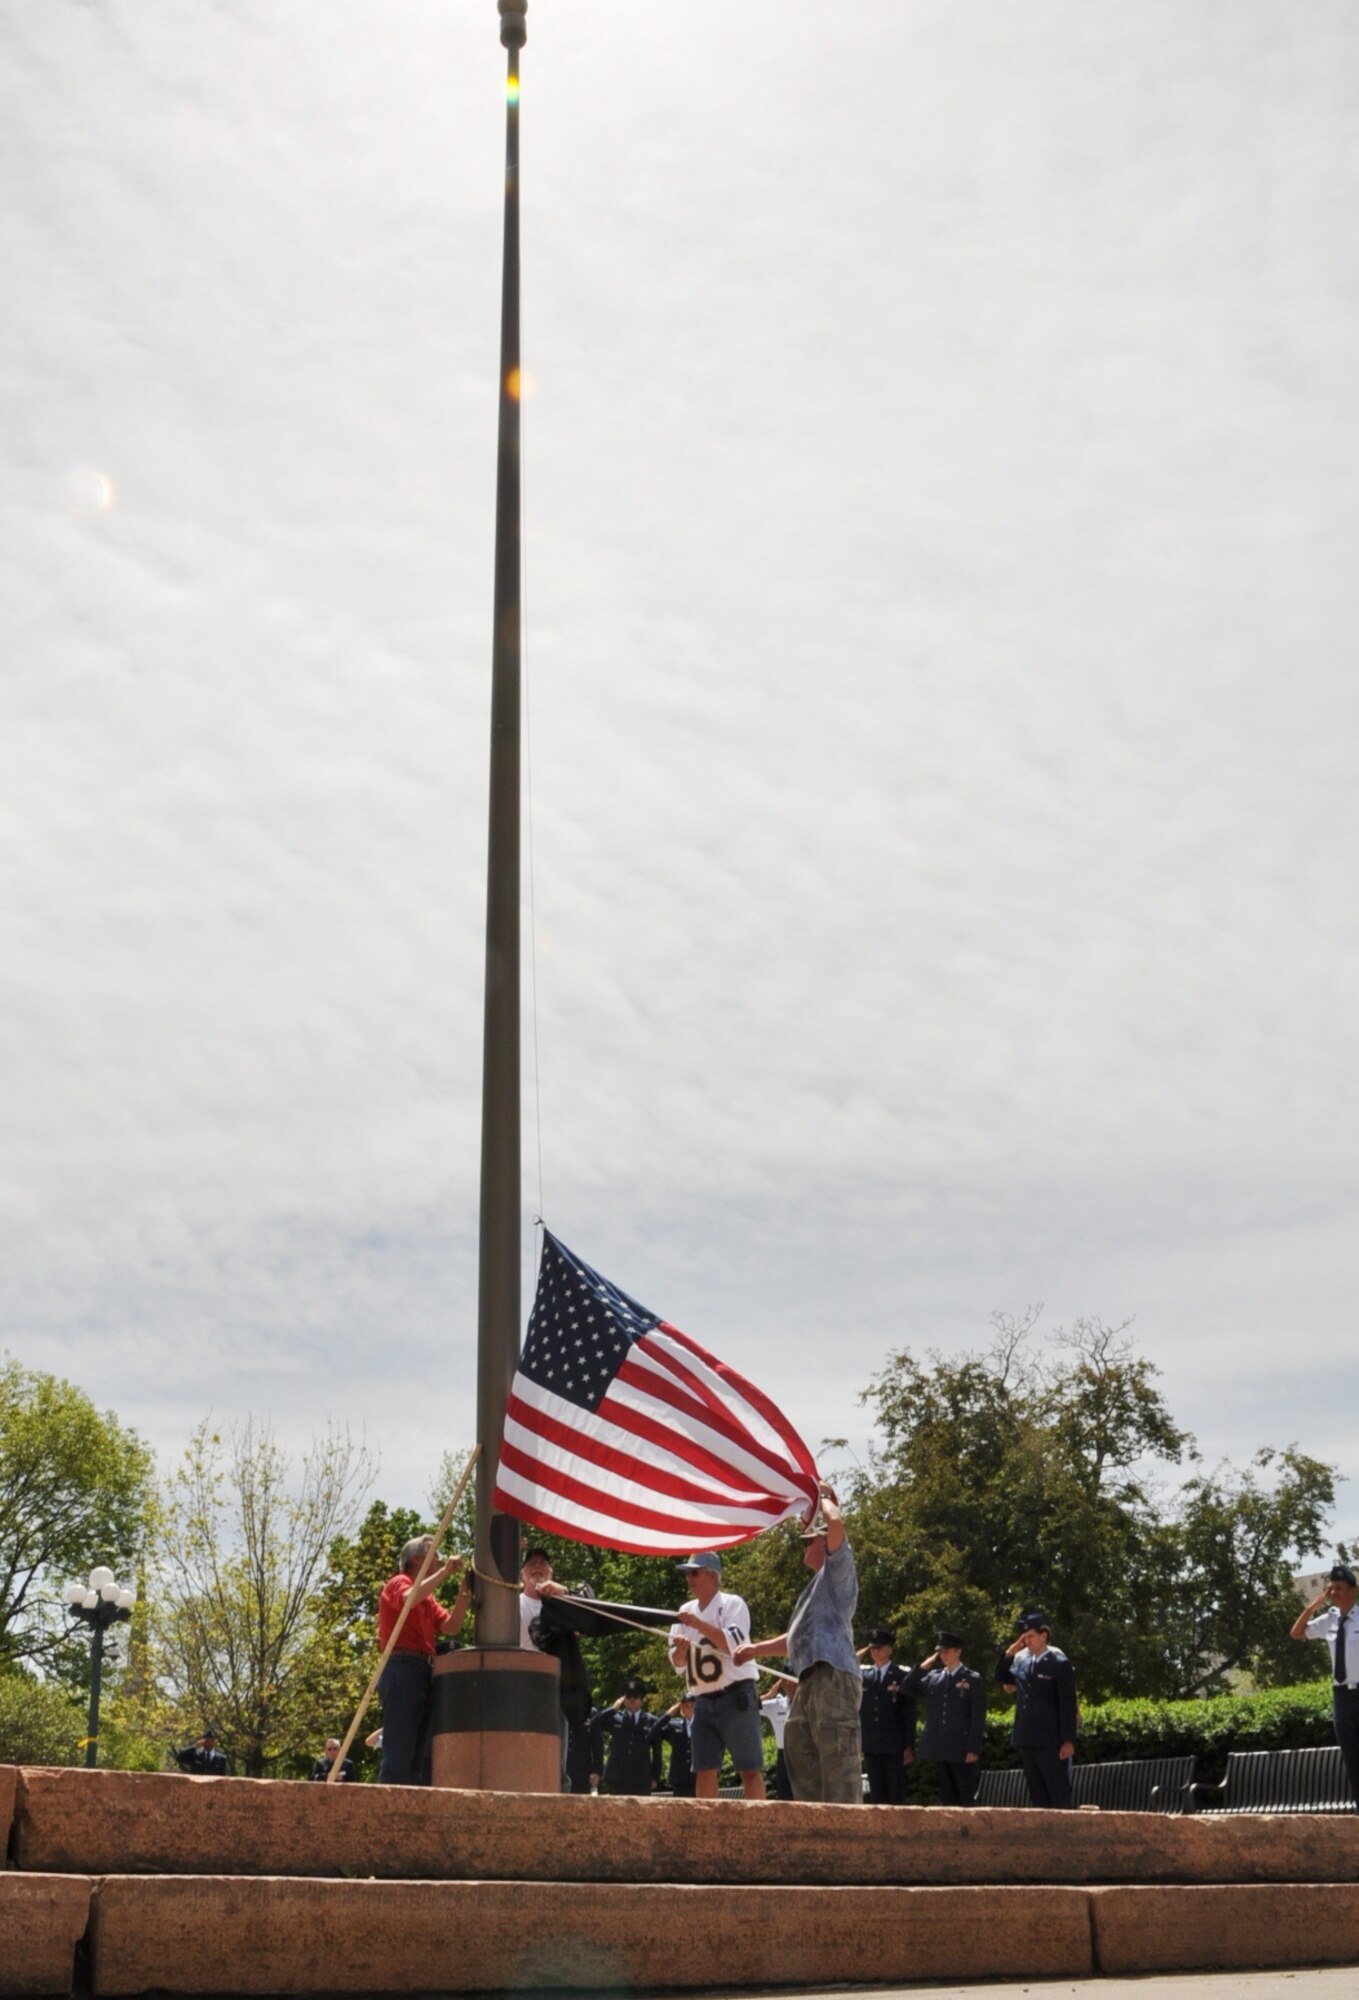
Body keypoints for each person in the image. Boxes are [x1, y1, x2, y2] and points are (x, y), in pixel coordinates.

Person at [735, 1480, 862, 1804]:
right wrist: (755, 1650)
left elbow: (835, 1524)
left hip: (833, 1675)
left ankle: (849, 1837)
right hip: (808, 1679)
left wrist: (825, 1500)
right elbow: (795, 1639)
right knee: (799, 1751)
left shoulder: (836, 1574)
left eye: (810, 1541)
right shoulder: (812, 1591)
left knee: (838, 1765)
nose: (804, 1548)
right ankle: (819, 1831)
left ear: (824, 1545)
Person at [668, 1552, 767, 1800]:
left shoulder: (732, 1604)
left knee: (749, 1768)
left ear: (712, 1575)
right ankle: (708, 1828)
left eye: (694, 1573)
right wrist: (680, 1651)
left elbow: (730, 1645)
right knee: (704, 1769)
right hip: (701, 1699)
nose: (689, 1579)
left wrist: (699, 1624)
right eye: (687, 1574)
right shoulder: (683, 1612)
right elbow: (677, 1664)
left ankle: (760, 1826)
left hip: (736, 1695)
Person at [375, 1533, 471, 1786]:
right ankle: (389, 1808)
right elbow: (408, 1599)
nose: (440, 1561)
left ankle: (409, 1808)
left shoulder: (427, 1598)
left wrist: (464, 1593)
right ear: (418, 1559)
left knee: (419, 1752)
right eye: (435, 1555)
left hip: (422, 1670)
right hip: (402, 1668)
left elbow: (451, 1627)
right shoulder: (399, 1582)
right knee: (399, 1748)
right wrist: (445, 1573)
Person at [1290, 1562, 1359, 1809]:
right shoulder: (1328, 1619)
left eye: (1340, 1588)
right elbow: (1296, 1633)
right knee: (1352, 1757)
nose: (1335, 1593)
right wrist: (1313, 1605)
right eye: (1332, 1589)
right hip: (1342, 1697)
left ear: (1354, 1590)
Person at [995, 1611, 1077, 1808]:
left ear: (1044, 1636)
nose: (1027, 1641)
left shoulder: (1059, 1664)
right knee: (1036, 1793)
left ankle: (1062, 1836)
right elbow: (1001, 1677)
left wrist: (1068, 1740)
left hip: (1051, 1740)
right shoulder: (1023, 1664)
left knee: (1057, 1792)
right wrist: (1009, 1653)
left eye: (1031, 1636)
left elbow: (1067, 1704)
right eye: (1025, 1637)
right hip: (1027, 1738)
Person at [901, 1629, 985, 1805]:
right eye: (941, 1652)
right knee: (947, 1797)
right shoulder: (934, 1677)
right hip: (941, 1746)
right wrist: (923, 1667)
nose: (943, 1655)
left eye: (947, 1651)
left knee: (964, 1796)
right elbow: (907, 1688)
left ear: (958, 1651)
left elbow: (977, 1716)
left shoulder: (972, 1679)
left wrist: (973, 1748)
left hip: (961, 1747)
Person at [859, 1628, 915, 1804]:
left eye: (880, 1647)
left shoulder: (901, 1675)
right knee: (877, 1793)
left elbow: (908, 1712)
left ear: (890, 1649)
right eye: (873, 1648)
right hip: (871, 1744)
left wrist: (909, 1744)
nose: (875, 1652)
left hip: (893, 1745)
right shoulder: (864, 1676)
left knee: (895, 1792)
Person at [589, 1679, 658, 1795]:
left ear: (641, 1701)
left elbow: (657, 1751)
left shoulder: (650, 1721)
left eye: (635, 1697)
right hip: (618, 1776)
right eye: (628, 1696)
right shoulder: (616, 1717)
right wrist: (612, 1709)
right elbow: (594, 1724)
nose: (631, 1699)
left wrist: (655, 1776)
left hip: (641, 1776)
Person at [652, 1695, 698, 1795]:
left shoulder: (702, 1726)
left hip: (698, 1775)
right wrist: (670, 1713)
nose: (690, 1709)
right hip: (679, 1777)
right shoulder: (674, 1725)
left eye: (692, 1706)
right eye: (686, 1706)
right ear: (682, 1707)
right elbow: (655, 1729)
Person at [759, 1680, 794, 1799]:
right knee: (784, 1794)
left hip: (804, 1753)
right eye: (785, 1682)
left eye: (791, 1681)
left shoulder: (809, 1701)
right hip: (783, 1754)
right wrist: (770, 1694)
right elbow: (752, 1706)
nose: (788, 1685)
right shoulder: (778, 1704)